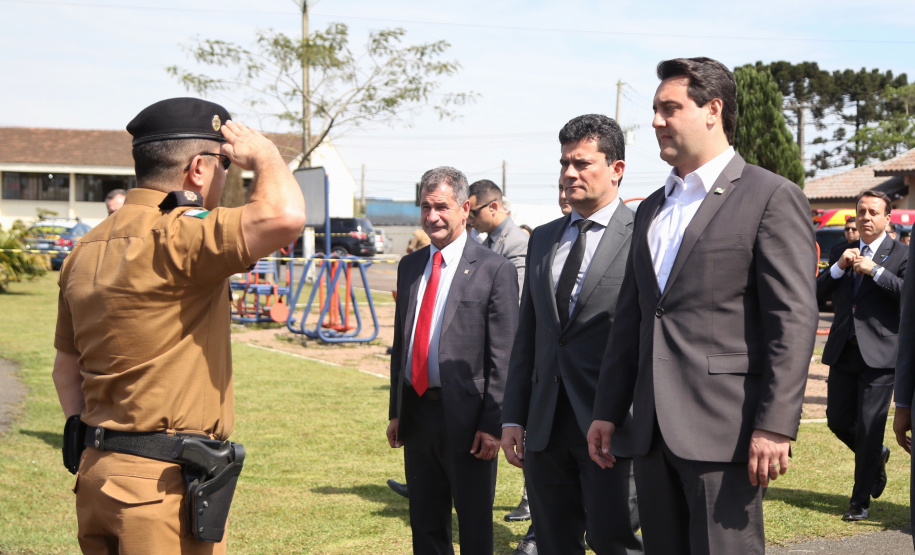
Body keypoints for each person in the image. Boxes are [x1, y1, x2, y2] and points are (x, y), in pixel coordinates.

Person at [52, 97, 306, 553]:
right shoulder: (182, 233)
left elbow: (65, 370)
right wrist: (266, 155)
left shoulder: (84, 249)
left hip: (95, 472)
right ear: (198, 169)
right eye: (224, 165)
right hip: (161, 488)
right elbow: (284, 216)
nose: (226, 176)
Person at [588, 57, 818, 555]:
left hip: (725, 432)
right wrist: (607, 409)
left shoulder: (770, 196)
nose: (655, 121)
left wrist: (775, 424)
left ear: (713, 110)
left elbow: (793, 322)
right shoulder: (650, 208)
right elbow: (631, 320)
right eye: (655, 109)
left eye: (669, 108)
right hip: (650, 434)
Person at [501, 114, 643, 555]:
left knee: (612, 540)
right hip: (545, 426)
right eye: (564, 163)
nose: (569, 173)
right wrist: (513, 416)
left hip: (612, 423)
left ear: (616, 169)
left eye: (582, 163)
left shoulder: (643, 235)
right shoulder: (543, 238)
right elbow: (529, 334)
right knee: (554, 542)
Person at [386, 166, 519, 555]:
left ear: (465, 208)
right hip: (418, 415)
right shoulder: (410, 266)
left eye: (441, 207)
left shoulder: (495, 269)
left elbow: (503, 356)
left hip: (469, 421)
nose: (432, 217)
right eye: (425, 207)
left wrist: (492, 425)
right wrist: (396, 412)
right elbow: (402, 345)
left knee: (474, 527)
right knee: (426, 524)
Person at [816, 190, 905, 521]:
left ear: (887, 218)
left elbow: (907, 293)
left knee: (870, 427)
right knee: (837, 420)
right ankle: (876, 455)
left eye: (873, 212)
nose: (865, 217)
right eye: (861, 211)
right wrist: (839, 268)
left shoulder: (902, 254)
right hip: (843, 350)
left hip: (880, 355)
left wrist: (876, 271)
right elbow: (816, 292)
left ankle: (859, 501)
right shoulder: (841, 250)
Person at [468, 179, 528, 293]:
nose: (470, 220)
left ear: (493, 207)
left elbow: (516, 295)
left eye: (473, 213)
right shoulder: (489, 240)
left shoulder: (517, 243)